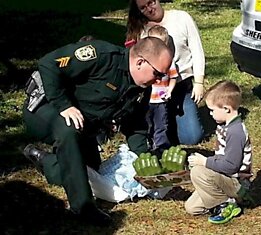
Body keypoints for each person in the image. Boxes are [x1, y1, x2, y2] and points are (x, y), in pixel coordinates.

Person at [22, 37, 172, 226]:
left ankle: (46, 161)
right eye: (158, 74)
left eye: (163, 76)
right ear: (140, 62)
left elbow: (135, 125)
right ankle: (84, 208)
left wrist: (144, 159)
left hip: (84, 124)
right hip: (46, 108)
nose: (159, 80)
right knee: (69, 130)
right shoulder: (101, 55)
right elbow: (48, 64)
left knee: (90, 172)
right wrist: (63, 105)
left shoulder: (142, 86)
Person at [126, 0, 205, 145]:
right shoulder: (140, 29)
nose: (149, 9)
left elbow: (197, 50)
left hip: (181, 84)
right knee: (155, 126)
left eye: (151, 2)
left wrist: (199, 81)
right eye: (143, 8)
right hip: (155, 89)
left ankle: (177, 121)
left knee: (191, 137)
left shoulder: (181, 18)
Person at [185, 80, 253, 224]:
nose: (210, 114)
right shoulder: (226, 126)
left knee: (198, 171)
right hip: (224, 179)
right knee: (191, 207)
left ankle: (227, 204)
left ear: (227, 109)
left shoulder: (236, 132)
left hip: (237, 184)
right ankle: (224, 200)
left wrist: (204, 162)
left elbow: (231, 166)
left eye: (212, 110)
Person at [145, 25, 177, 152]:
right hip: (147, 100)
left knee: (161, 124)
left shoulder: (168, 61)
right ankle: (147, 143)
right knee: (147, 123)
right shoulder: (145, 60)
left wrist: (169, 90)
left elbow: (173, 77)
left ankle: (161, 146)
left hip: (161, 99)